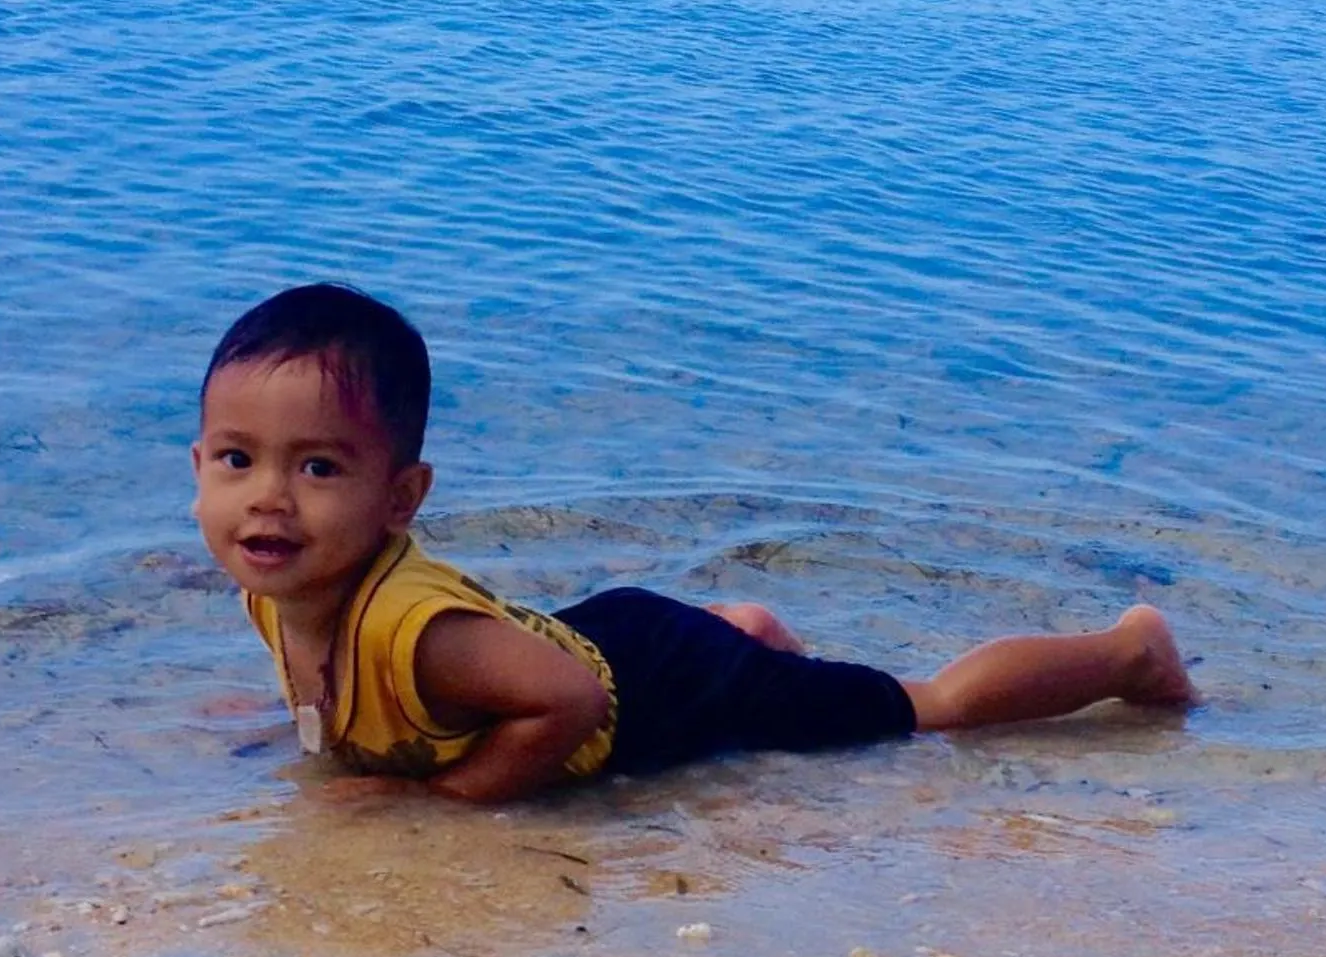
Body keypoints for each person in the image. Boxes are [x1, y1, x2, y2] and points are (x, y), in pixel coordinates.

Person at [193, 284, 1196, 805]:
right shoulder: (280, 583)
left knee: (923, 710)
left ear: (402, 497)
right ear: (198, 463)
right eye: (237, 460)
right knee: (658, 646)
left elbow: (571, 702)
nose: (268, 502)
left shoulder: (418, 633)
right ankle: (744, 628)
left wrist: (451, 803)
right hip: (592, 634)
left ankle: (1128, 650)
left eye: (319, 468)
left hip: (655, 678)